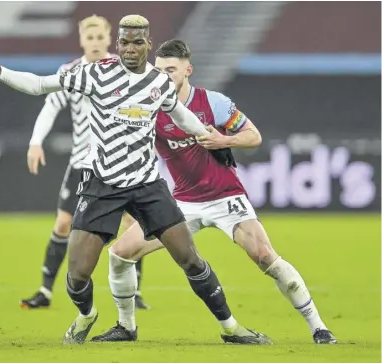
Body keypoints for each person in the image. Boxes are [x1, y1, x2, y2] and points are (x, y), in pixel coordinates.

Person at [0, 15, 271, 346]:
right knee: (77, 274)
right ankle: (86, 315)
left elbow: (183, 116)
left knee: (189, 258)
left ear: (148, 45)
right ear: (117, 44)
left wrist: (211, 140)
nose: (130, 48)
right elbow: (40, 85)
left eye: (138, 42)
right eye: (124, 42)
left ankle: (231, 328)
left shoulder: (159, 83)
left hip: (147, 185)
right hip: (103, 184)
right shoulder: (93, 75)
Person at [93, 39, 337, 345]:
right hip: (181, 202)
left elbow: (253, 136)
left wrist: (224, 140)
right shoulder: (149, 109)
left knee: (264, 255)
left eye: (171, 70)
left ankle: (319, 327)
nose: (164, 76)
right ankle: (126, 327)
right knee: (119, 253)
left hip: (226, 197)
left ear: (188, 70)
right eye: (159, 70)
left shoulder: (214, 103)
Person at [19, 14, 150, 311]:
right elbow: (50, 107)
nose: (94, 42)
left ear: (108, 40)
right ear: (82, 40)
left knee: (132, 224)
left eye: (99, 37)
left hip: (119, 161)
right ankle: (44, 291)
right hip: (82, 163)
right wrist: (35, 141)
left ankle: (135, 293)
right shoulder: (70, 72)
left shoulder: (123, 68)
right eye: (88, 38)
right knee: (64, 223)